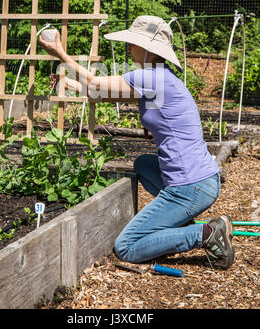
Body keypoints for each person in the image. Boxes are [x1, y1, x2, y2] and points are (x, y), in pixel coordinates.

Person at [39, 15, 234, 270]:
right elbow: (100, 93)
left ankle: (206, 234)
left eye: (134, 42)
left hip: (190, 186)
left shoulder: (151, 78)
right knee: (143, 163)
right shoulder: (160, 78)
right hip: (202, 179)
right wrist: (68, 83)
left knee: (127, 247)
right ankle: (178, 223)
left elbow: (97, 83)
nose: (129, 47)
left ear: (151, 51)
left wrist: (61, 54)